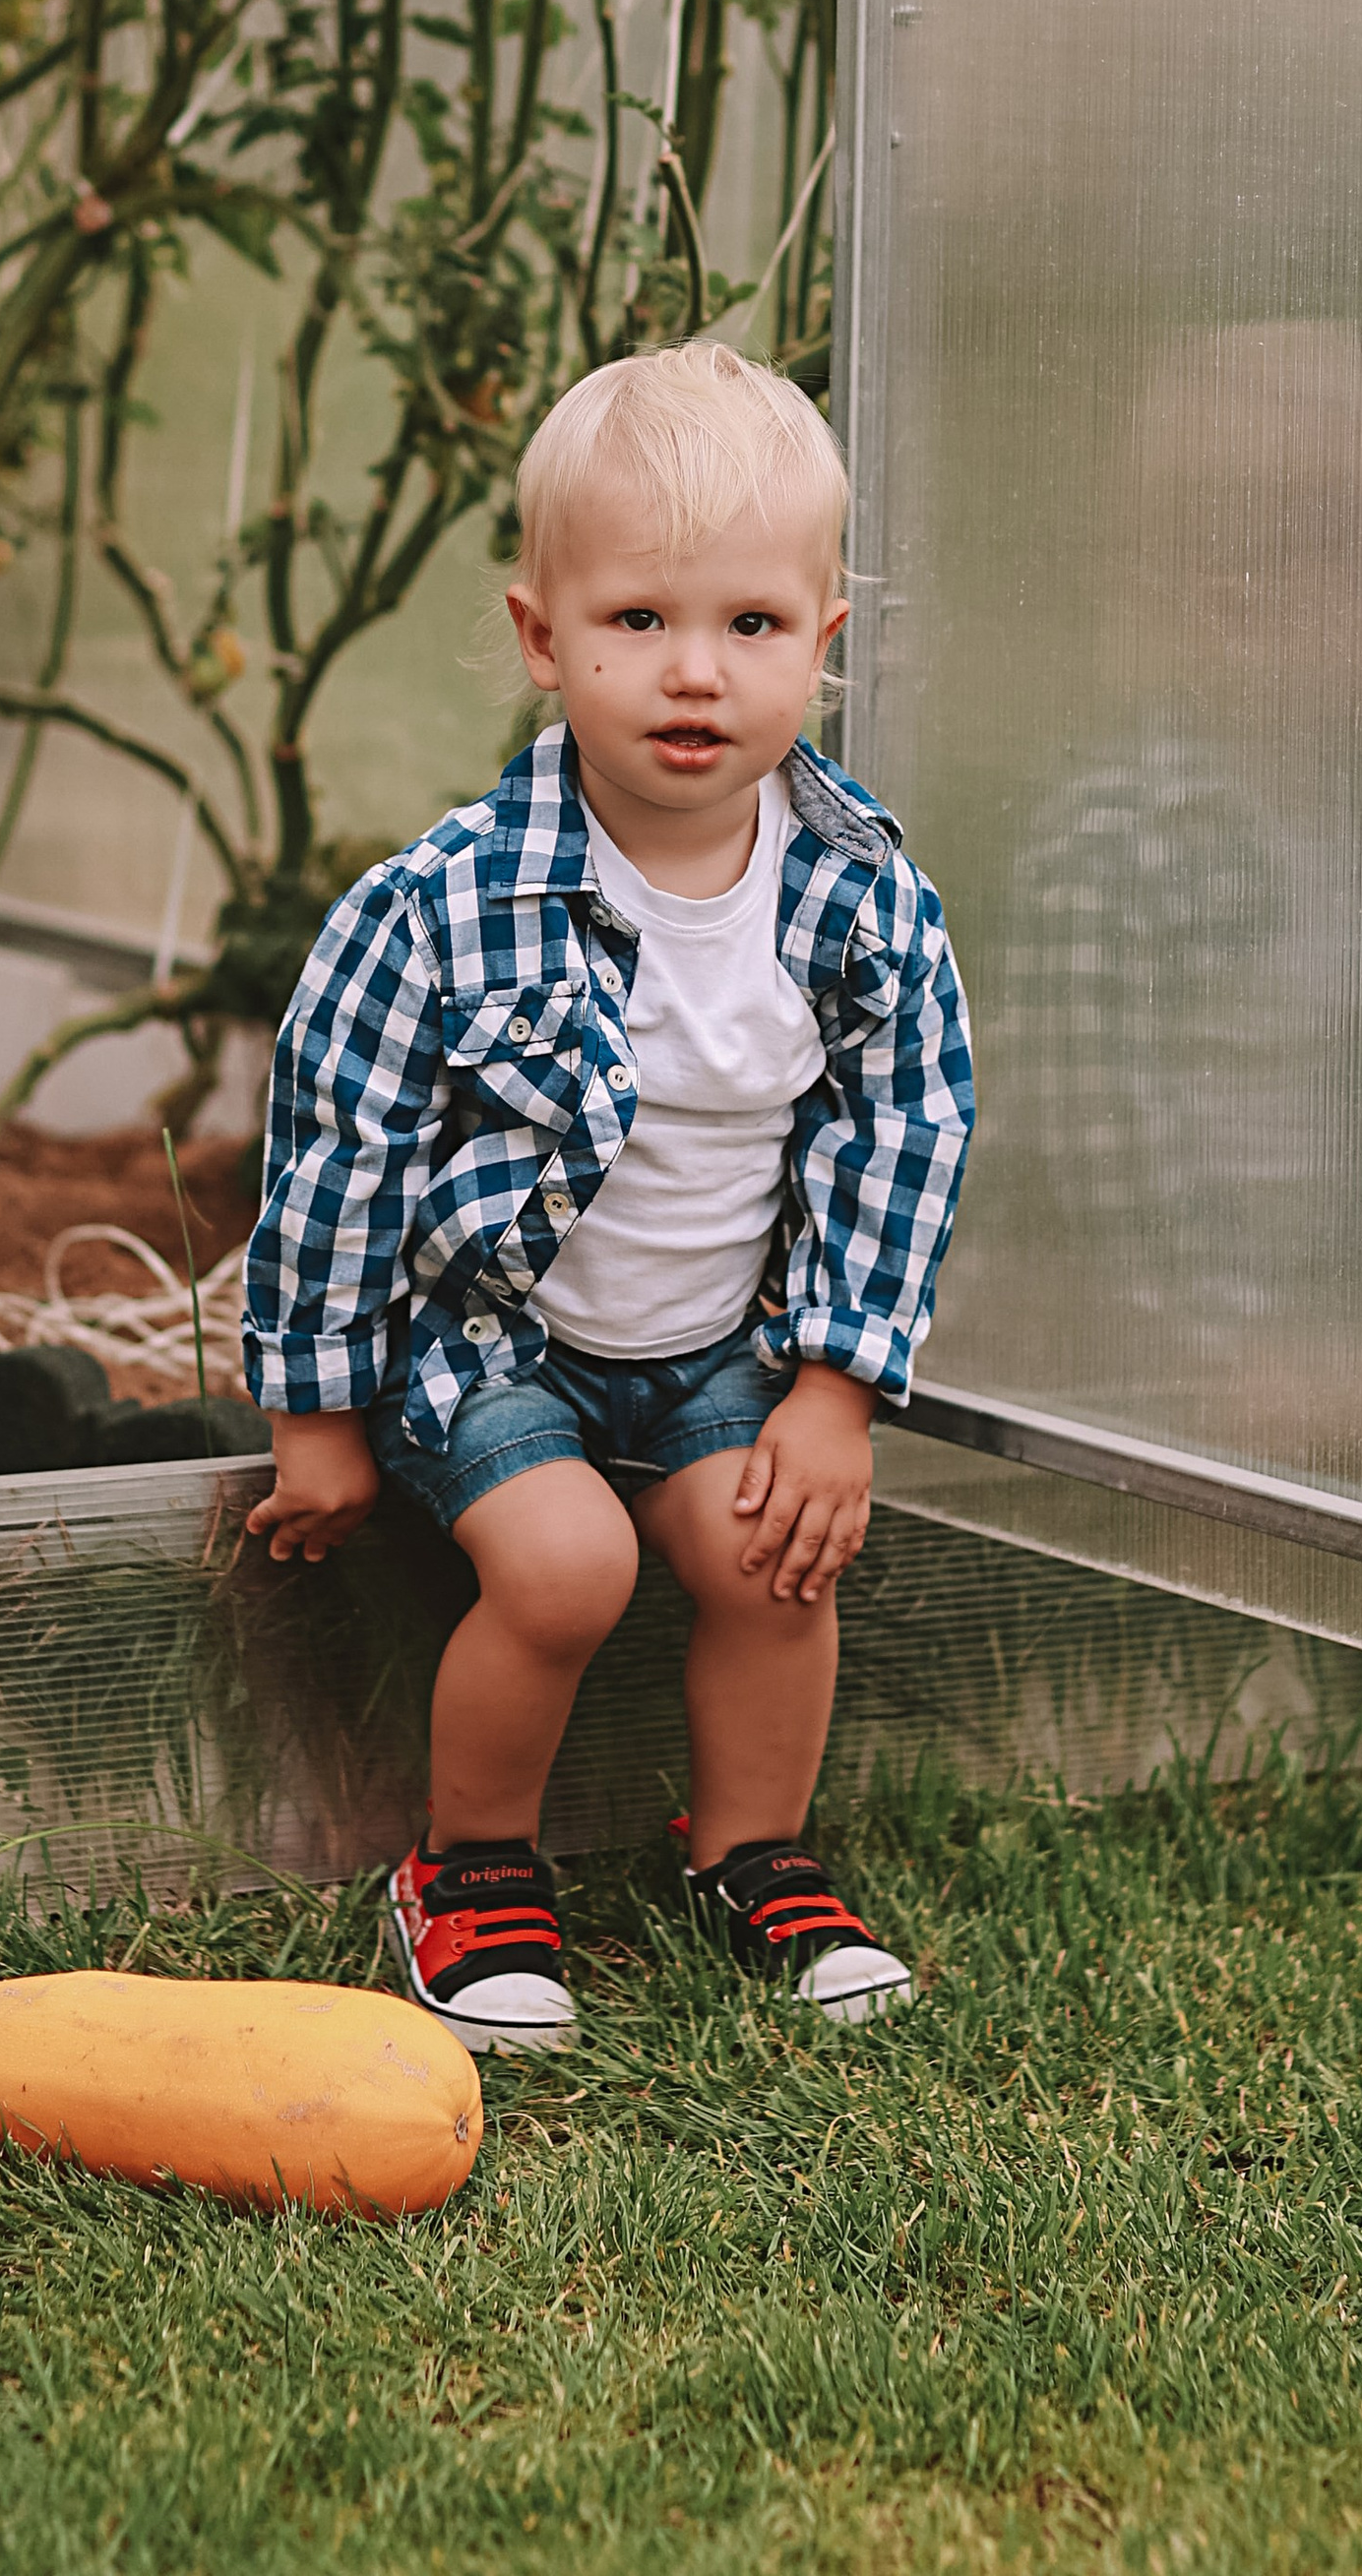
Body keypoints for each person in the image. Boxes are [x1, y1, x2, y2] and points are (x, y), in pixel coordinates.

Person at [240, 341, 974, 2054]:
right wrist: (320, 1418)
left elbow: (904, 1133)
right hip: (496, 1340)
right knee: (564, 1567)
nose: (694, 673)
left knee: (771, 1560)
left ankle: (750, 1852)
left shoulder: (861, 905)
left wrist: (834, 1392)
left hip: (718, 1347)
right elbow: (337, 1151)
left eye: (751, 627)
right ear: (541, 638)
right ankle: (470, 1866)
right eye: (638, 622)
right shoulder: (443, 905)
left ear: (825, 646)